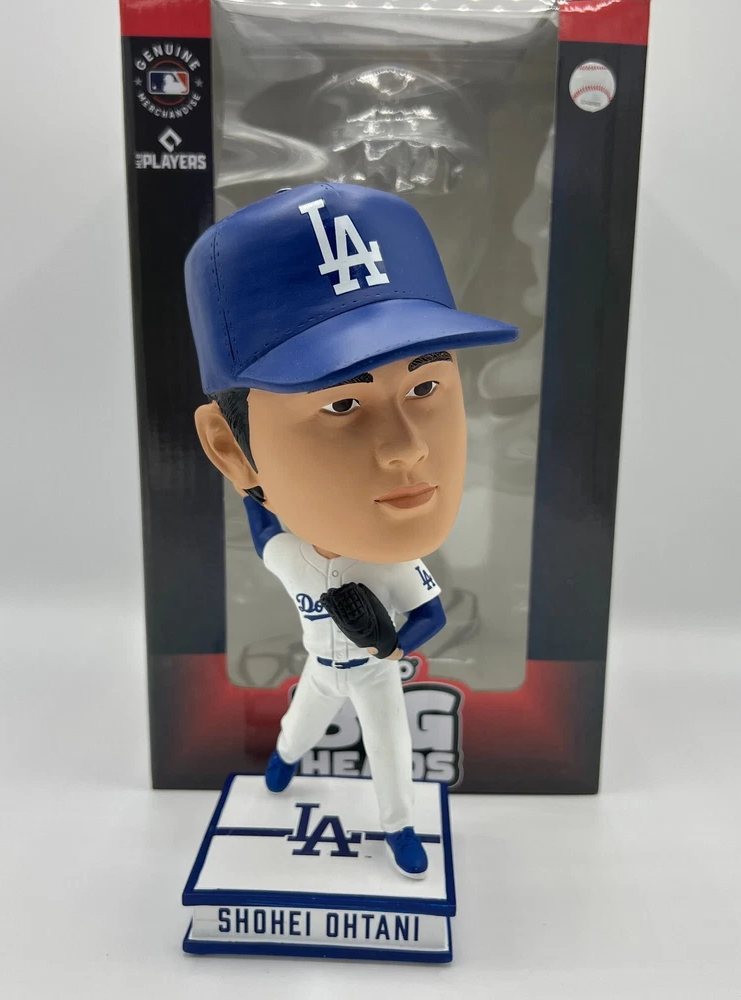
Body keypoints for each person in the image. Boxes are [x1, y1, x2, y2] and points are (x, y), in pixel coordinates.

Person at [185, 182, 518, 877]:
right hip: (319, 668)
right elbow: (262, 522)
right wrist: (250, 480)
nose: (407, 449)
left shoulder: (386, 566)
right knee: (297, 727)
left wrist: (393, 647)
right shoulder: (289, 556)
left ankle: (399, 830)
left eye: (424, 388)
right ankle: (281, 766)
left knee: (392, 751)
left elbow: (428, 614)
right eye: (342, 404)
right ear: (230, 449)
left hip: (372, 673)